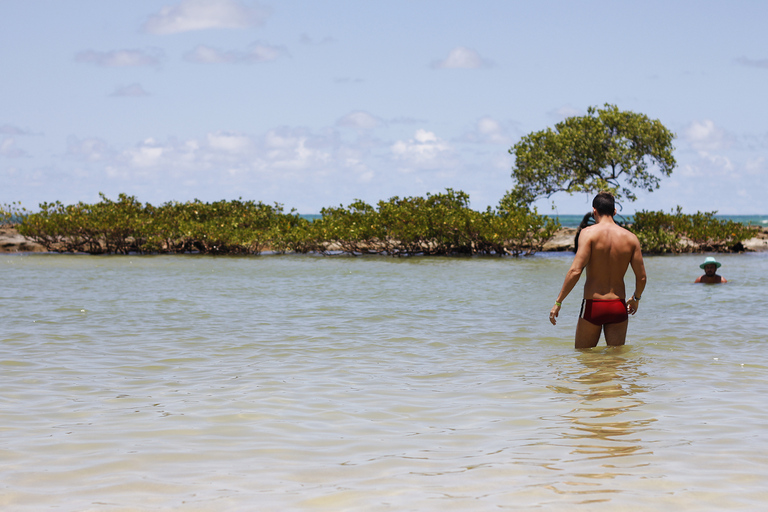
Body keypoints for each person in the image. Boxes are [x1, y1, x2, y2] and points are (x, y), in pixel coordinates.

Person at [549, 192, 647, 349]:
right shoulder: (631, 238)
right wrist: (636, 299)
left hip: (593, 305)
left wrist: (558, 302)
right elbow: (641, 277)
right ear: (614, 211)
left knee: (585, 358)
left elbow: (575, 271)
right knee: (615, 362)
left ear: (594, 211)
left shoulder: (588, 234)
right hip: (618, 306)